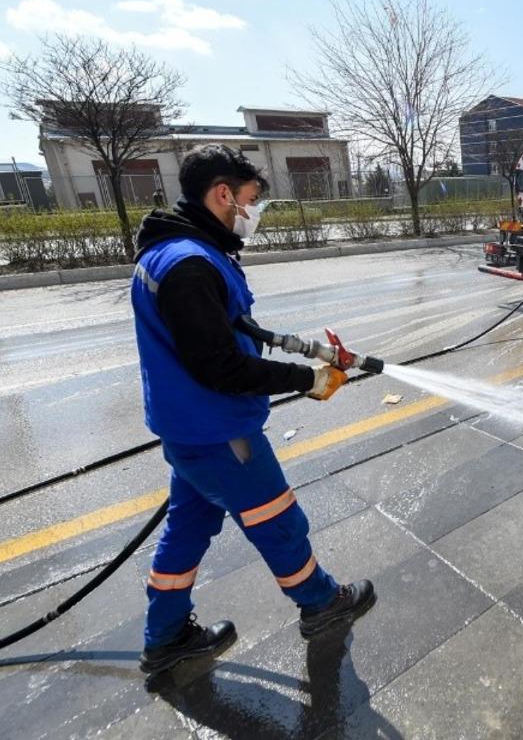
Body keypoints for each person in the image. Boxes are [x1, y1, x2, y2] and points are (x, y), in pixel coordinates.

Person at [131, 144, 375, 675]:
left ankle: (165, 636)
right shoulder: (190, 265)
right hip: (219, 429)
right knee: (278, 519)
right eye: (251, 198)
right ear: (223, 194)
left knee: (188, 528)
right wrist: (308, 380)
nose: (254, 210)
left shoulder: (175, 251)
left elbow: (232, 332)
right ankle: (321, 602)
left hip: (187, 428)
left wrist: (311, 355)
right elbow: (221, 366)